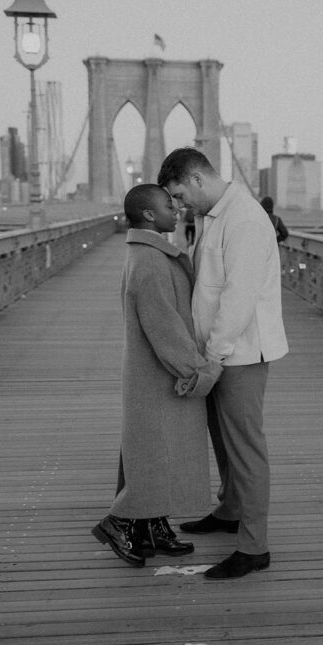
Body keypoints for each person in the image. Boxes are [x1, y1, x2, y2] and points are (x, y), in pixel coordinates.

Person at [157, 148, 288, 580]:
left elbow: (238, 298)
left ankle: (254, 547)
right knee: (224, 441)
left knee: (246, 449)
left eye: (178, 195)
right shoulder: (213, 216)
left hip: (241, 354)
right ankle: (231, 510)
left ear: (197, 179)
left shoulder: (246, 220)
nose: (178, 206)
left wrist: (212, 358)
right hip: (217, 352)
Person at [92, 183, 222, 568]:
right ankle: (119, 521)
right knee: (153, 452)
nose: (176, 209)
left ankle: (152, 526)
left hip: (152, 374)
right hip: (159, 375)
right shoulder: (149, 260)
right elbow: (163, 326)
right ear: (149, 215)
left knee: (156, 452)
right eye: (168, 205)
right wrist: (198, 371)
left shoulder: (147, 253)